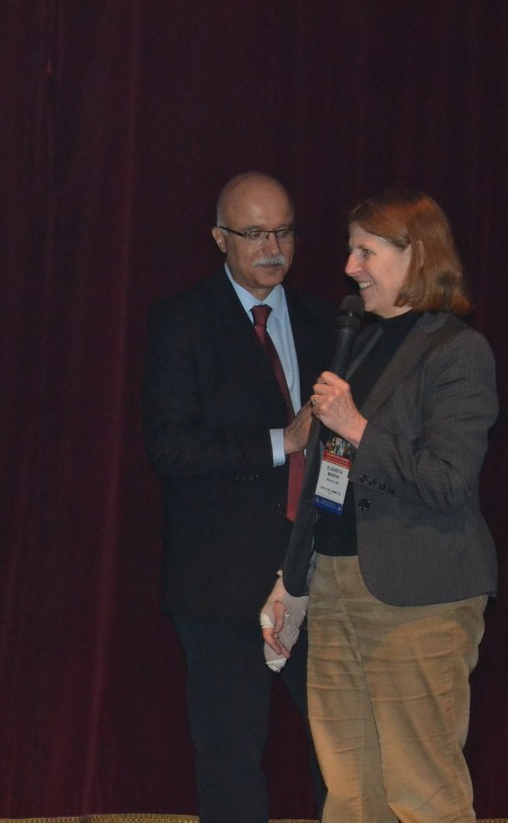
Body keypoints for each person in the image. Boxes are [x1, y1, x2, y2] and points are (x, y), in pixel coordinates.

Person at [264, 190, 498, 822]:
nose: (350, 267)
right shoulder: (363, 345)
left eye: (366, 251)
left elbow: (447, 481)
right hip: (336, 586)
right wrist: (294, 580)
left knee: (422, 791)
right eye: (351, 250)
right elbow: (327, 476)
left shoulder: (457, 351)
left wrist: (357, 426)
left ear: (415, 254)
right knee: (350, 793)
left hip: (417, 597)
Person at [144, 172, 331, 821]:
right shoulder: (181, 321)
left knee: (345, 756)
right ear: (219, 238)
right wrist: (283, 441)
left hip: (322, 574)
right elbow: (170, 448)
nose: (273, 248)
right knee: (231, 763)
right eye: (254, 233)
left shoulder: (328, 321)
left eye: (284, 232)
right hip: (221, 580)